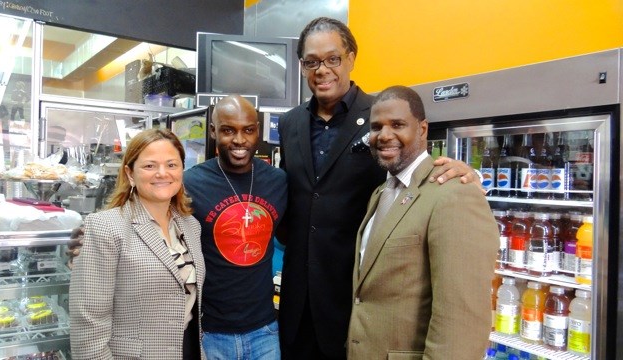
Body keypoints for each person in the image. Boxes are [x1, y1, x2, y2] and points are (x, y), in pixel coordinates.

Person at [277, 17, 480, 359]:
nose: (322, 70)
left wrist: (461, 172)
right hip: (298, 302)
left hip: (356, 299)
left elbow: (413, 170)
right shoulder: (290, 122)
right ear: (301, 67)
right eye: (311, 62)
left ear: (352, 58)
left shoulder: (380, 114)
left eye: (332, 59)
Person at [347, 86, 498, 359]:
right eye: (376, 126)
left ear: (423, 129)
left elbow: (462, 324)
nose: (384, 135)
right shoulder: (381, 193)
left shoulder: (454, 193)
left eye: (397, 125)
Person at [69, 128, 205, 360]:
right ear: (130, 174)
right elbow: (88, 321)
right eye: (150, 166)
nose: (162, 173)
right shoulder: (106, 227)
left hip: (188, 349)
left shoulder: (190, 225)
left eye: (172, 165)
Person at [183, 95, 287, 359]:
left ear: (258, 131)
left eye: (248, 130)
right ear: (214, 131)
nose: (240, 140)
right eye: (228, 130)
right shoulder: (190, 183)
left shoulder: (279, 182)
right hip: (211, 333)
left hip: (265, 330)